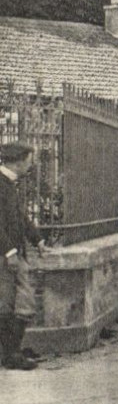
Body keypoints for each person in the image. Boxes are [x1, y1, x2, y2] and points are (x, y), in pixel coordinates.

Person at [0, 142, 44, 370]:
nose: (31, 164)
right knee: (12, 306)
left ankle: (12, 351)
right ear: (17, 161)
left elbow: (19, 217)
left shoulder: (8, 183)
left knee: (17, 305)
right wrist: (10, 252)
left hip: (13, 255)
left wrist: (37, 239)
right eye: (29, 160)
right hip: (6, 257)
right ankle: (11, 355)